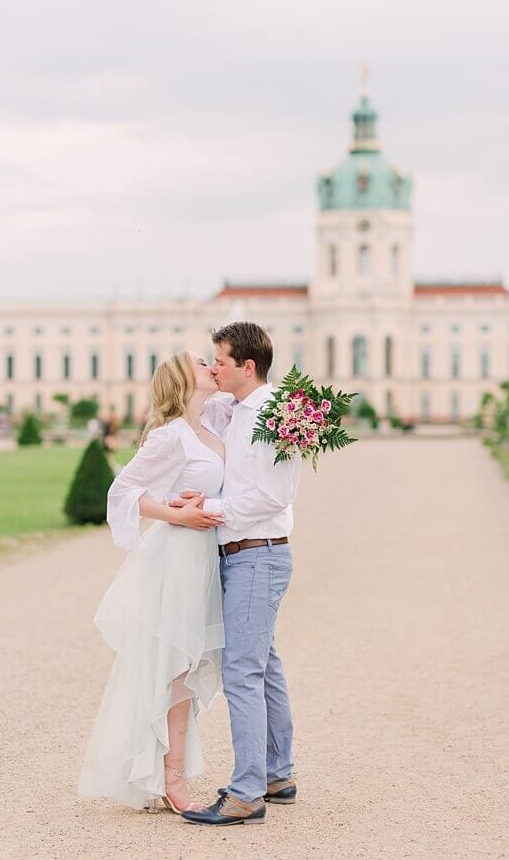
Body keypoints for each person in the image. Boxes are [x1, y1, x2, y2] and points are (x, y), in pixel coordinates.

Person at [78, 351, 229, 813]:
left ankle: (168, 768)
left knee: (185, 665)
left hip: (207, 555)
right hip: (180, 557)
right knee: (175, 667)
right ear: (183, 380)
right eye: (201, 362)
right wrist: (175, 512)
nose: (211, 364)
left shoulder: (213, 424)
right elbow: (122, 491)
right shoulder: (170, 436)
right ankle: (169, 776)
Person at [179, 322, 302, 826]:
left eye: (221, 361)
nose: (214, 367)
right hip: (246, 553)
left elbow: (273, 496)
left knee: (242, 672)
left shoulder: (273, 416)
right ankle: (276, 773)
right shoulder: (233, 409)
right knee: (263, 664)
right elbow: (186, 405)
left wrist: (210, 507)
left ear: (247, 367)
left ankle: (247, 790)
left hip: (258, 553)